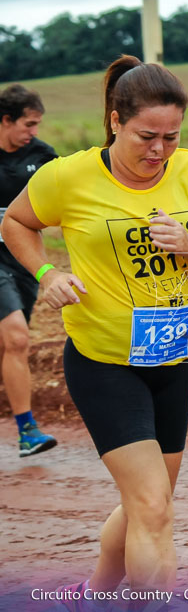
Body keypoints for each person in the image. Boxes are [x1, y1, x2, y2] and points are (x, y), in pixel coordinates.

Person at [1, 55, 188, 596]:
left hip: (171, 359)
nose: (159, 150)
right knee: (153, 505)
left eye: (171, 136)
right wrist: (46, 273)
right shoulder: (68, 175)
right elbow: (15, 221)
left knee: (148, 504)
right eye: (145, 136)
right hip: (104, 364)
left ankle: (95, 597)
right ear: (115, 121)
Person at [0, 84, 58, 457]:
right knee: (18, 338)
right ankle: (28, 432)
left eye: (38, 124)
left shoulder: (43, 156)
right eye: (28, 124)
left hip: (26, 264)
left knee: (8, 344)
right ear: (6, 121)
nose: (34, 131)